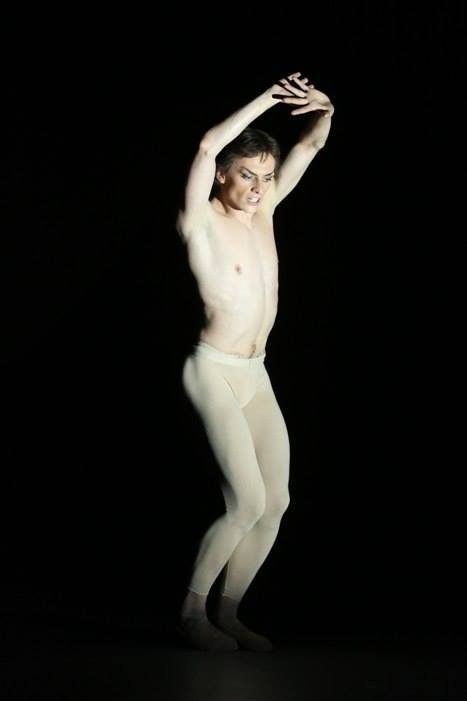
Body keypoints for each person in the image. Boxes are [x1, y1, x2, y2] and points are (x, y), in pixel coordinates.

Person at [176, 72, 334, 651]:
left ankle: (229, 612)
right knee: (244, 501)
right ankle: (192, 614)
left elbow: (311, 144)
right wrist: (269, 98)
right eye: (248, 175)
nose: (259, 188)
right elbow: (206, 146)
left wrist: (324, 108)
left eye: (267, 178)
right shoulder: (200, 222)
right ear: (225, 174)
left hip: (255, 371)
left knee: (276, 504)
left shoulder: (264, 212)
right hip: (212, 368)